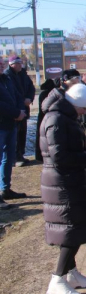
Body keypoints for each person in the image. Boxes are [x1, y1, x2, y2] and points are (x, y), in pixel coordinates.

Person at [40, 83, 86, 294]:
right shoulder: (56, 119)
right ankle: (57, 280)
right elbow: (60, 156)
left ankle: (71, 273)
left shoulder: (63, 117)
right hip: (62, 184)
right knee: (70, 231)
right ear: (75, 104)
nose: (85, 113)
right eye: (84, 108)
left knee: (72, 229)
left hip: (68, 181)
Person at [35, 70, 80, 162]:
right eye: (74, 83)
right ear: (64, 82)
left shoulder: (71, 95)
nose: (77, 86)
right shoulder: (56, 96)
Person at [0, 57, 27, 205]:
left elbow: (16, 96)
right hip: (2, 125)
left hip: (10, 125)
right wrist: (16, 113)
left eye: (2, 63)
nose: (1, 65)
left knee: (8, 158)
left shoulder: (6, 79)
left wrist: (20, 110)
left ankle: (5, 189)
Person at [5, 55, 35, 166]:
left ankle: (21, 154)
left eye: (20, 63)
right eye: (17, 63)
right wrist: (22, 101)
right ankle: (15, 158)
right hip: (15, 110)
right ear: (11, 64)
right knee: (15, 133)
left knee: (23, 132)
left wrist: (29, 98)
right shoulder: (7, 76)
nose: (19, 65)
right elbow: (11, 93)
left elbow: (31, 87)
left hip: (25, 108)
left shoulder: (23, 74)